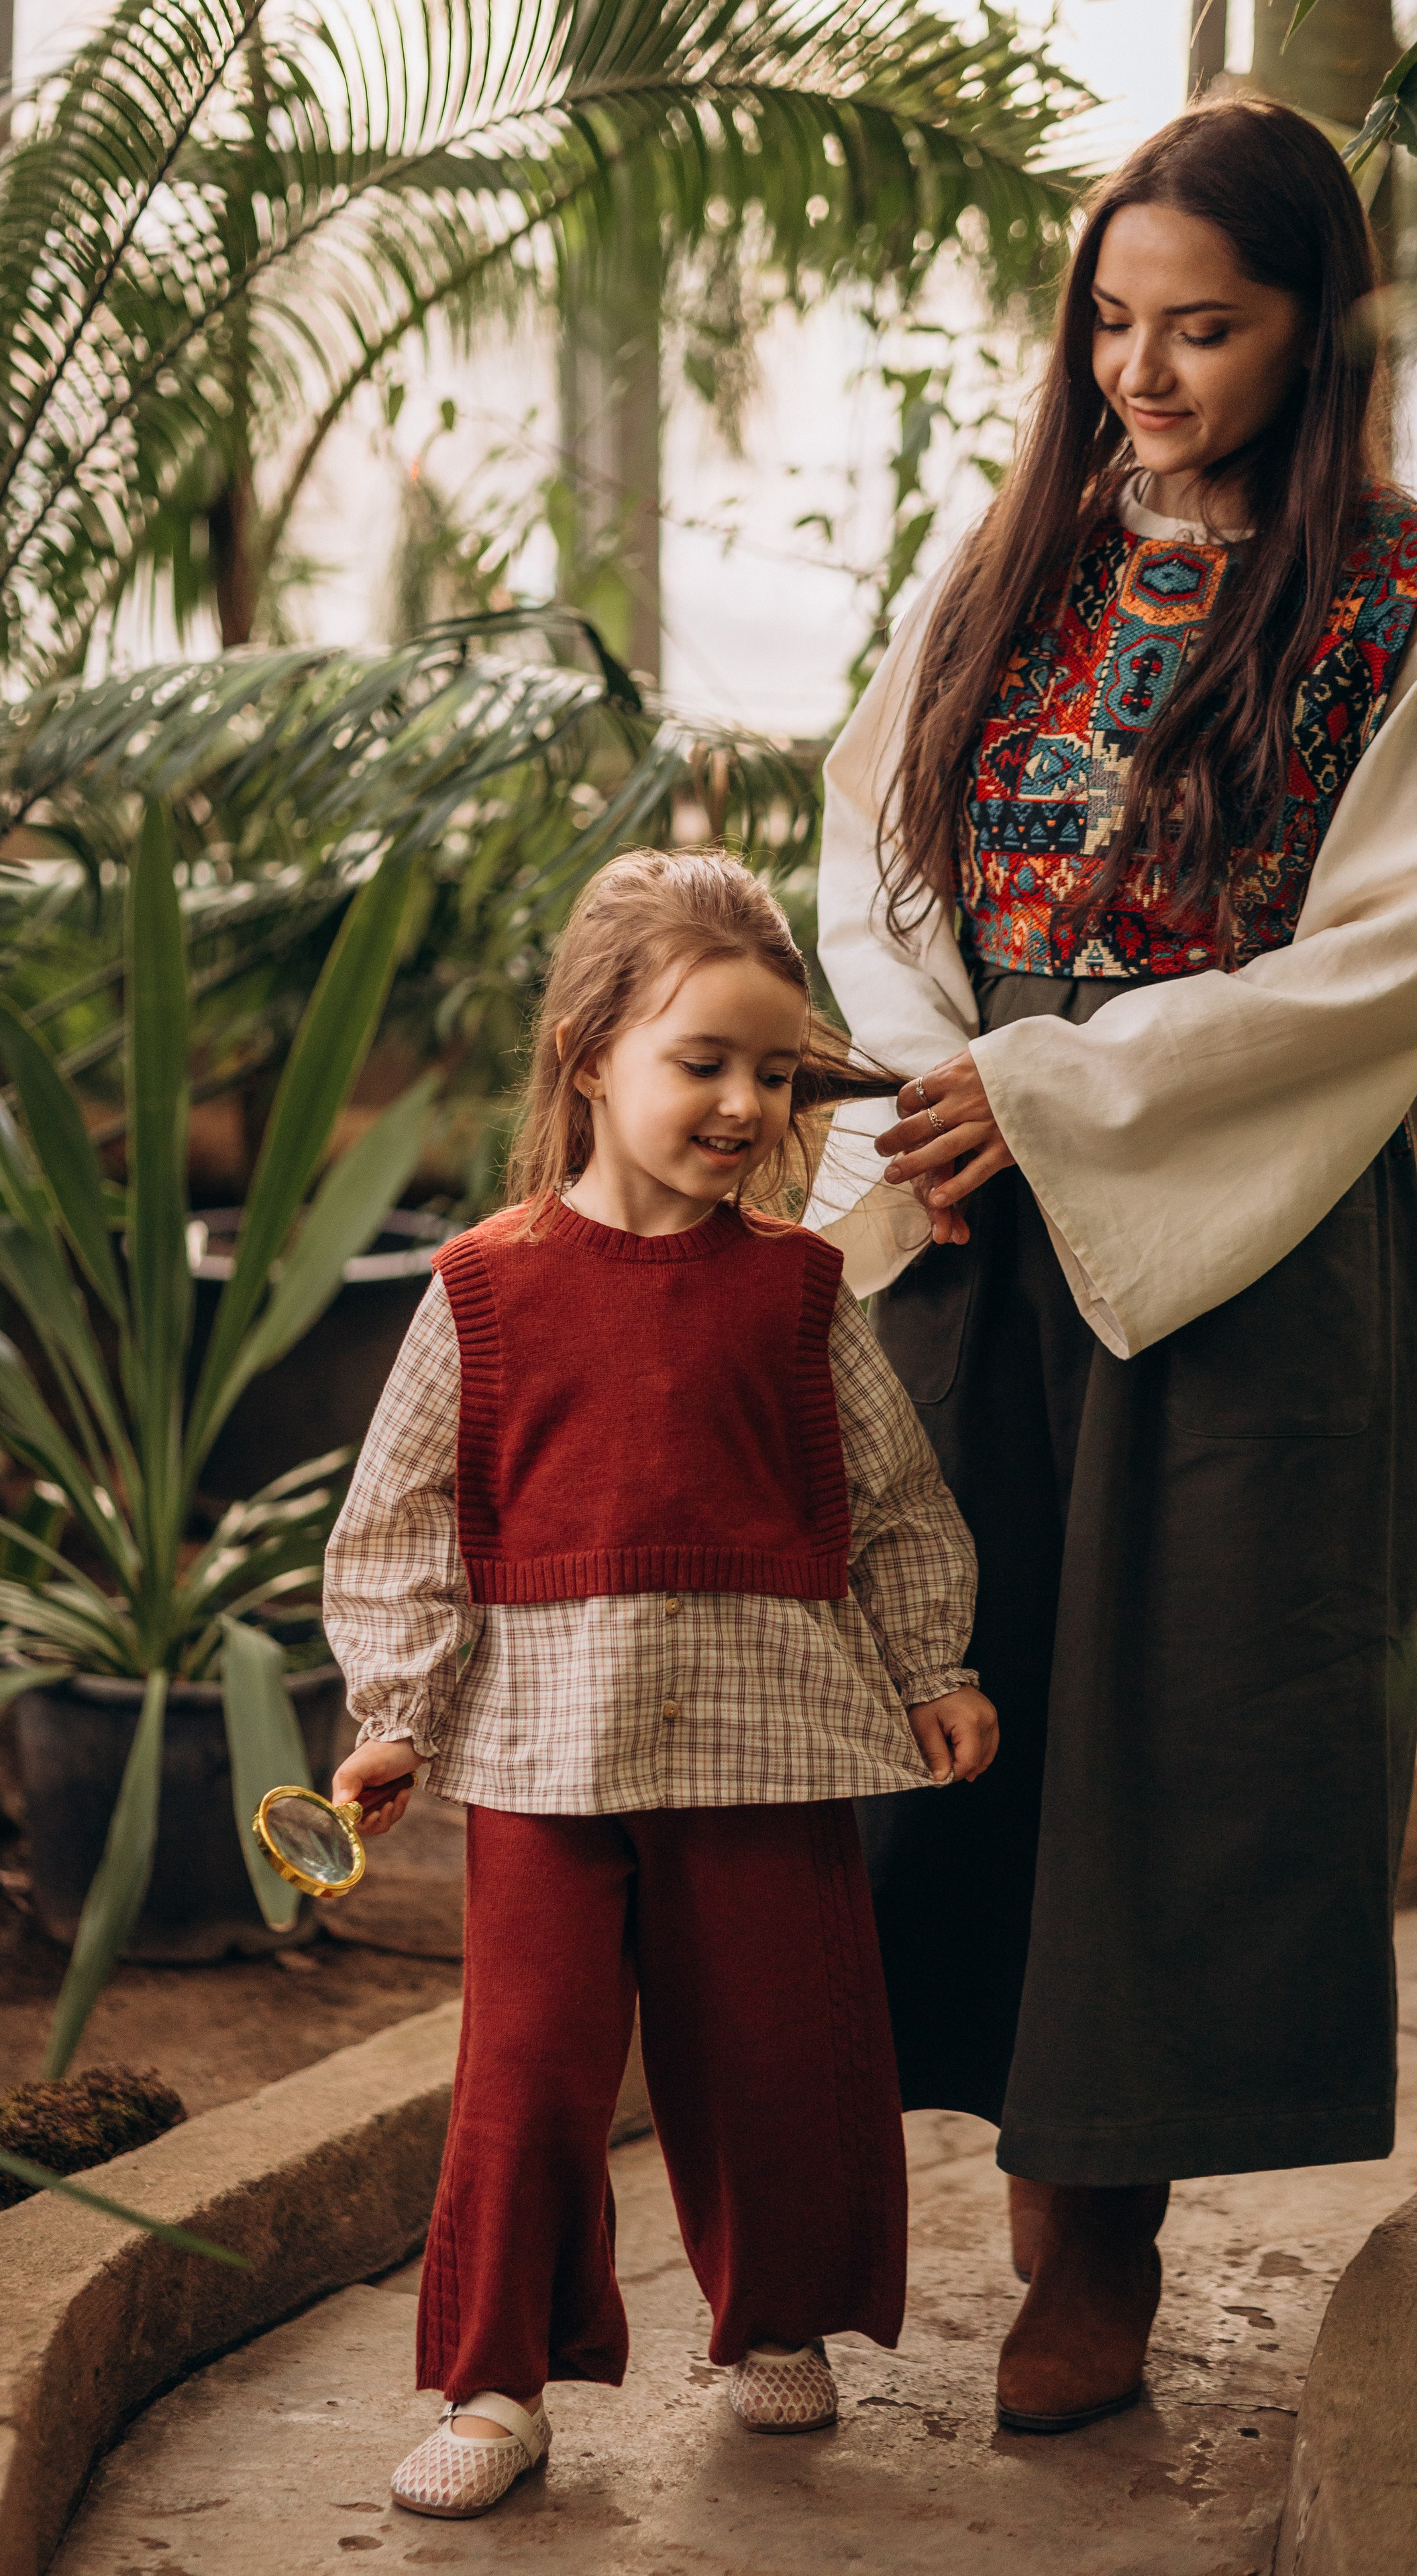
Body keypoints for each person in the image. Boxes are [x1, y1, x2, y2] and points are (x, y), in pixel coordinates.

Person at [808, 97, 1417, 2438]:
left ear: (1320, 323)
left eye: (1202, 326)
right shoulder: (1007, 555)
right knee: (948, 1687)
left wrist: (1064, 1096)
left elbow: (1384, 967)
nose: (1143, 370)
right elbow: (874, 857)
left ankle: (1092, 2255)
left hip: (1231, 1219)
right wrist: (939, 1080)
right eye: (1111, 322)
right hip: (966, 1198)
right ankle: (891, 2204)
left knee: (1178, 1729)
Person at [323, 850, 1000, 2520]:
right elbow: (398, 1516)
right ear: (589, 1058)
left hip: (769, 1744)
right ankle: (496, 2380)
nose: (743, 1104)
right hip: (547, 1756)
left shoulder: (795, 1290)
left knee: (778, 2048)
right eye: (703, 1061)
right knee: (528, 2071)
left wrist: (932, 1665)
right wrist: (396, 1709)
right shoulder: (481, 1289)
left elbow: (895, 1499)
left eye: (773, 1074)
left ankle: (779, 2319)